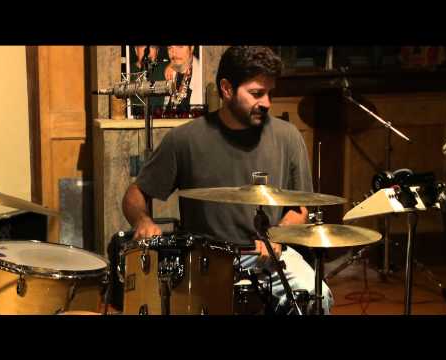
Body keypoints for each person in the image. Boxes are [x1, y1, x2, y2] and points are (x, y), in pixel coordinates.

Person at [122, 46, 333, 314]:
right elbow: (135, 194)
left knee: (318, 297)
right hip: (205, 262)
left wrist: (277, 235)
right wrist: (143, 220)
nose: (267, 103)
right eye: (257, 93)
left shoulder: (288, 137)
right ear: (226, 89)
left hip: (270, 258)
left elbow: (301, 208)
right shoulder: (185, 140)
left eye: (270, 93)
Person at [163, 45, 203, 113]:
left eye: (180, 47)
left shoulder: (202, 76)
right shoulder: (170, 74)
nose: (174, 52)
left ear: (192, 48)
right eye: (170, 48)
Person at [129, 46, 166, 118]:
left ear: (157, 51)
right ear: (136, 50)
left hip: (159, 122)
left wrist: (172, 65)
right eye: (143, 46)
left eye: (152, 46)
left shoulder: (164, 68)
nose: (148, 51)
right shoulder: (127, 71)